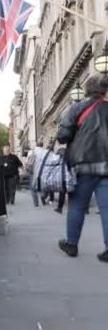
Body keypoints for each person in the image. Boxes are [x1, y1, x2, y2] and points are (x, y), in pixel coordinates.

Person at [56, 74, 108, 263]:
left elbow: (62, 136)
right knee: (107, 207)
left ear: (87, 90)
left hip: (82, 164)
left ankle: (72, 244)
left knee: (77, 205)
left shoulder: (77, 108)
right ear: (104, 91)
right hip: (106, 165)